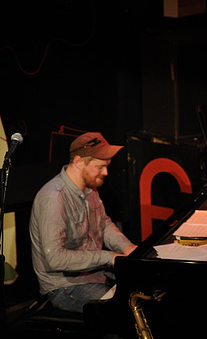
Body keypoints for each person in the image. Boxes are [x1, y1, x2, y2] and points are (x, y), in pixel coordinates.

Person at [30, 131, 136, 313]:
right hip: (64, 287)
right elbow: (56, 258)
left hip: (95, 275)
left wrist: (128, 248)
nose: (106, 172)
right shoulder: (54, 198)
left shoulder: (90, 187)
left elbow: (103, 224)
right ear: (79, 161)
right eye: (100, 167)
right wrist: (109, 257)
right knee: (125, 311)